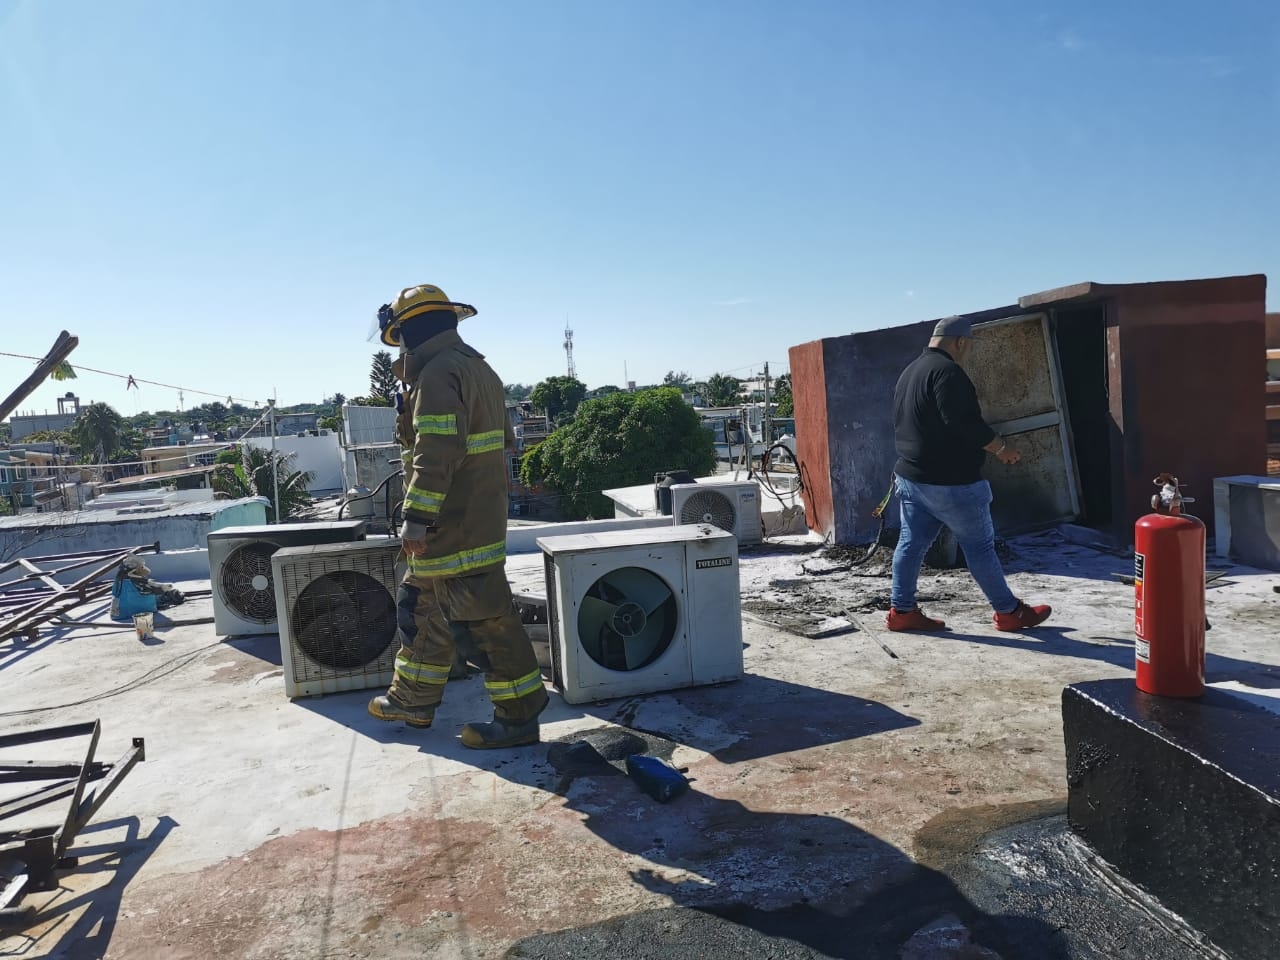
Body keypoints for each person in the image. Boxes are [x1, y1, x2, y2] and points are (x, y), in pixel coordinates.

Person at [366, 283, 549, 748]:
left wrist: (416, 519)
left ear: (409, 332)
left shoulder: (439, 375)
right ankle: (412, 698)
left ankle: (519, 716)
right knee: (423, 609)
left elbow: (436, 453)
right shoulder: (473, 367)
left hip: (454, 528)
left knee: (483, 626)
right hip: (465, 522)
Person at [886, 315, 1051, 633]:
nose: (968, 352)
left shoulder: (910, 371)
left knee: (911, 544)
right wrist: (1002, 448)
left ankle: (902, 610)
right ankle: (1009, 612)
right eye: (969, 346)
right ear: (960, 342)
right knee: (979, 547)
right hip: (951, 483)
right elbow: (964, 424)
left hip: (911, 477)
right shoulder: (948, 373)